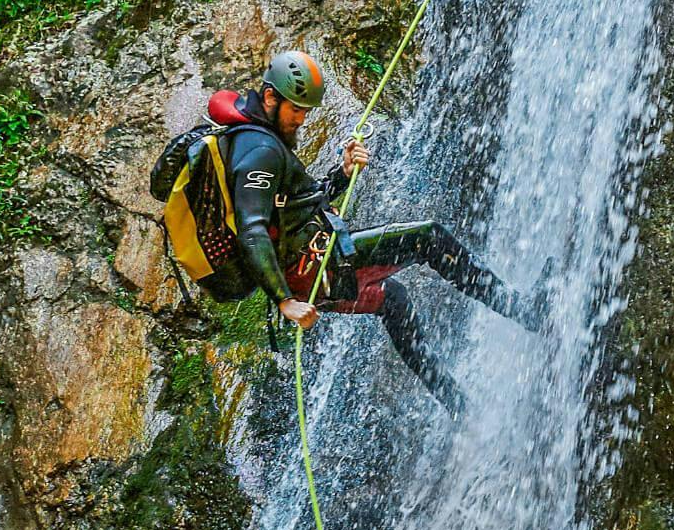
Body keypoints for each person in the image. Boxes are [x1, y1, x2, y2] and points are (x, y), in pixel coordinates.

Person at [154, 49, 545, 412]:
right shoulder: (260, 150)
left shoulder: (249, 139)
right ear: (270, 98)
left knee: (392, 299)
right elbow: (252, 228)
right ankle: (523, 311)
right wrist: (284, 301)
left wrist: (341, 175)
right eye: (296, 109)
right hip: (311, 268)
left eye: (306, 110)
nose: (302, 119)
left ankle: (457, 404)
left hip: (305, 267)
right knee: (429, 237)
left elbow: (289, 210)